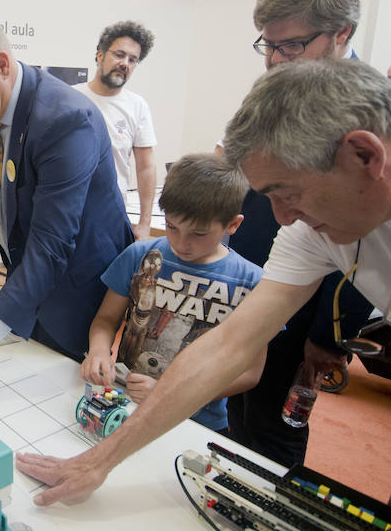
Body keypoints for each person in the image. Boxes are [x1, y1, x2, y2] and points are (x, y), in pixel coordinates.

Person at [15, 58, 391, 506]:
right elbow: (228, 347)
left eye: (287, 192)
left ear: (364, 155)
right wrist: (100, 460)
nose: (282, 218)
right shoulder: (306, 233)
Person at [0, 12, 134, 403]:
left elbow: (51, 247)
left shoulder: (67, 120)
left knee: (60, 400)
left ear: (1, 65)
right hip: (28, 282)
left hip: (76, 294)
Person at [220, 0, 373, 468]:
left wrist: (329, 336)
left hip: (308, 305)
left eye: (291, 45)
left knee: (275, 421)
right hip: (252, 276)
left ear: (341, 33)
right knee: (234, 398)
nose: (275, 60)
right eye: (268, 44)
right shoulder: (277, 89)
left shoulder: (367, 110)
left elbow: (360, 241)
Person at [82, 154, 267, 434]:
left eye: (198, 234)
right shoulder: (140, 256)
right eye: (172, 226)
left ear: (232, 224)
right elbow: (106, 319)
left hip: (198, 421)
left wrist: (174, 392)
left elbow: (250, 372)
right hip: (126, 405)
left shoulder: (251, 281)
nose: (181, 243)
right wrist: (98, 351)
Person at [73, 21, 157, 240]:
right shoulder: (70, 98)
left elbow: (146, 167)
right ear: (100, 55)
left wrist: (145, 223)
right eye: (119, 55)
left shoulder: (137, 106)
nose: (125, 63)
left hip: (110, 216)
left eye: (132, 60)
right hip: (69, 211)